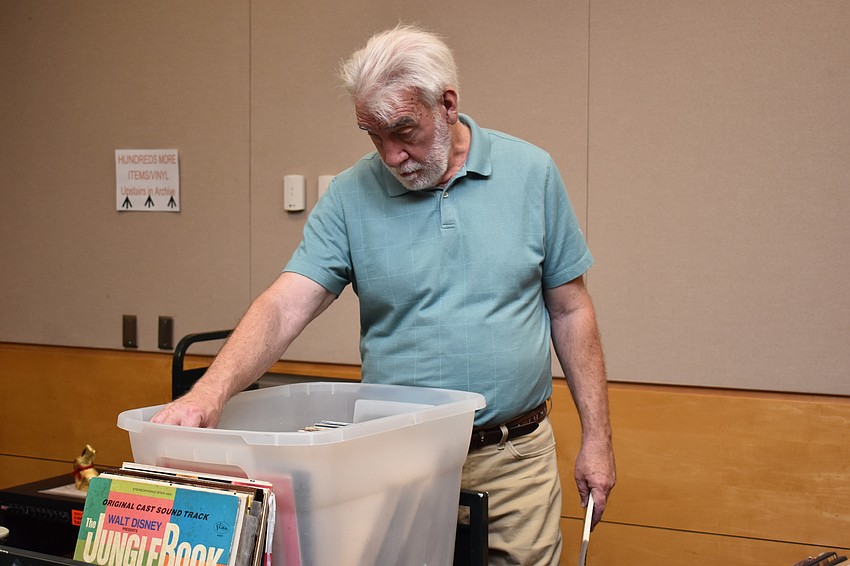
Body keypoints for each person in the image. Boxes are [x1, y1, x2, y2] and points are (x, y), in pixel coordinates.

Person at [153, 24, 616, 565]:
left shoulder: (531, 174)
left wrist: (598, 437)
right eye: (373, 135)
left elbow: (570, 307)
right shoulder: (351, 195)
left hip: (513, 457)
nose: (392, 156)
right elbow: (284, 306)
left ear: (446, 104)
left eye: (404, 131)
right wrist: (208, 394)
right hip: (396, 462)